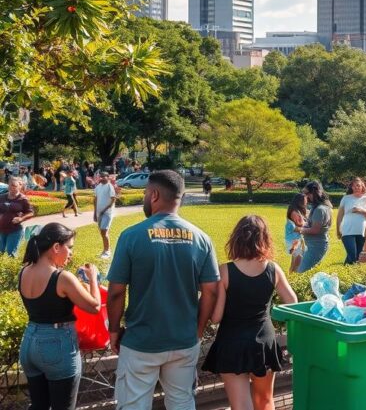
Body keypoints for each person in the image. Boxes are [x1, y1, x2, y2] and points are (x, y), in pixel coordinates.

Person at [107, 170, 220, 410]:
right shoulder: (201, 238)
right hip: (184, 340)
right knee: (182, 402)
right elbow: (210, 291)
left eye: (147, 193)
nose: (146, 198)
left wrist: (114, 331)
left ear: (155, 194)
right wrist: (198, 330)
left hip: (140, 342)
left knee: (133, 405)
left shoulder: (131, 236)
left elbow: (116, 292)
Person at [202, 215, 296, 410]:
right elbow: (292, 303)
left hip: (232, 342)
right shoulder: (273, 269)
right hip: (264, 342)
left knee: (241, 406)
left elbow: (216, 317)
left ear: (236, 238)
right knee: (265, 401)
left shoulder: (225, 271)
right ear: (264, 239)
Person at [19, 223, 102, 410]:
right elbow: (94, 306)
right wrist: (93, 279)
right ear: (56, 247)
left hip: (29, 342)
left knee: (39, 406)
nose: (71, 253)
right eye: (69, 247)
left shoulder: (24, 271)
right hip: (56, 346)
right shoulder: (62, 277)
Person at [337, 177, 366, 265]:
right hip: (347, 231)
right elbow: (339, 216)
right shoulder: (346, 198)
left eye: (358, 185)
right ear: (351, 187)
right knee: (352, 255)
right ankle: (347, 272)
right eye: (354, 186)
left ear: (362, 186)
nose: (356, 187)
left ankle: (346, 274)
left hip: (361, 232)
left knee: (356, 257)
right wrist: (338, 229)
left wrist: (362, 210)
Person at [295, 181, 332, 273]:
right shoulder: (318, 207)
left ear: (314, 193)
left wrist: (299, 229)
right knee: (309, 273)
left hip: (316, 246)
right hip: (313, 244)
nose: (304, 197)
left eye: (306, 194)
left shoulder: (320, 209)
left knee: (301, 272)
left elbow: (315, 230)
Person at [0, 177, 35, 256]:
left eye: (14, 185)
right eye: (9, 185)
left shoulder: (23, 199)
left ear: (20, 186)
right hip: (1, 229)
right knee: (0, 252)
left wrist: (21, 219)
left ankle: (11, 268)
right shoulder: (1, 197)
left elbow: (31, 212)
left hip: (14, 230)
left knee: (11, 254)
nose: (11, 187)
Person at [93, 171, 119, 259]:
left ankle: (107, 251)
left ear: (108, 177)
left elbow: (113, 200)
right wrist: (95, 213)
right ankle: (104, 250)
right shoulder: (98, 187)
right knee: (102, 232)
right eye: (101, 176)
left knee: (104, 231)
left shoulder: (109, 186)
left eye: (104, 176)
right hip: (99, 213)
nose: (102, 178)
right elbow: (95, 200)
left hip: (107, 213)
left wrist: (104, 210)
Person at [284, 193, 307, 273]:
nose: (306, 201)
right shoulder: (294, 211)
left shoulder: (296, 210)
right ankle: (293, 278)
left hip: (295, 239)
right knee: (298, 260)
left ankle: (291, 277)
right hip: (293, 240)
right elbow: (299, 225)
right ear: (300, 201)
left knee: (295, 261)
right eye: (305, 199)